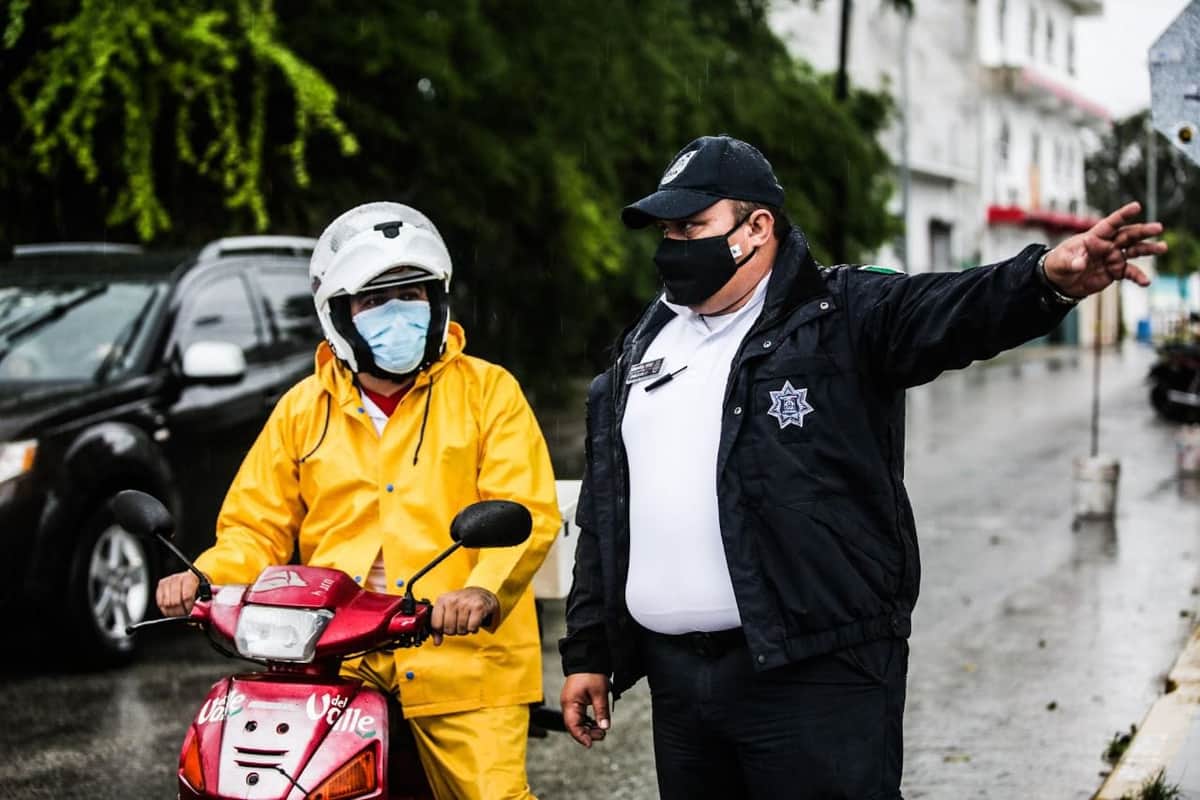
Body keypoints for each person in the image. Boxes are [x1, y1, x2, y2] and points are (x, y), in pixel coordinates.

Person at [558, 134, 1164, 799]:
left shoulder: (843, 315)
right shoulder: (645, 345)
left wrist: (1043, 278)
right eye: (667, 230)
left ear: (757, 227)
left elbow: (954, 310)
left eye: (692, 226)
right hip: (683, 689)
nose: (673, 245)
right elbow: (610, 511)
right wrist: (591, 651)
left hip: (815, 676)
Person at [156, 202, 560, 800]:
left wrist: (480, 590)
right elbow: (255, 526)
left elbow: (525, 511)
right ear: (339, 316)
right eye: (373, 301)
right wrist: (204, 577)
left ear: (439, 303)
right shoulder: (302, 408)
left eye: (412, 295)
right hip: (332, 651)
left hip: (461, 654)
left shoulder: (488, 392)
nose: (397, 314)